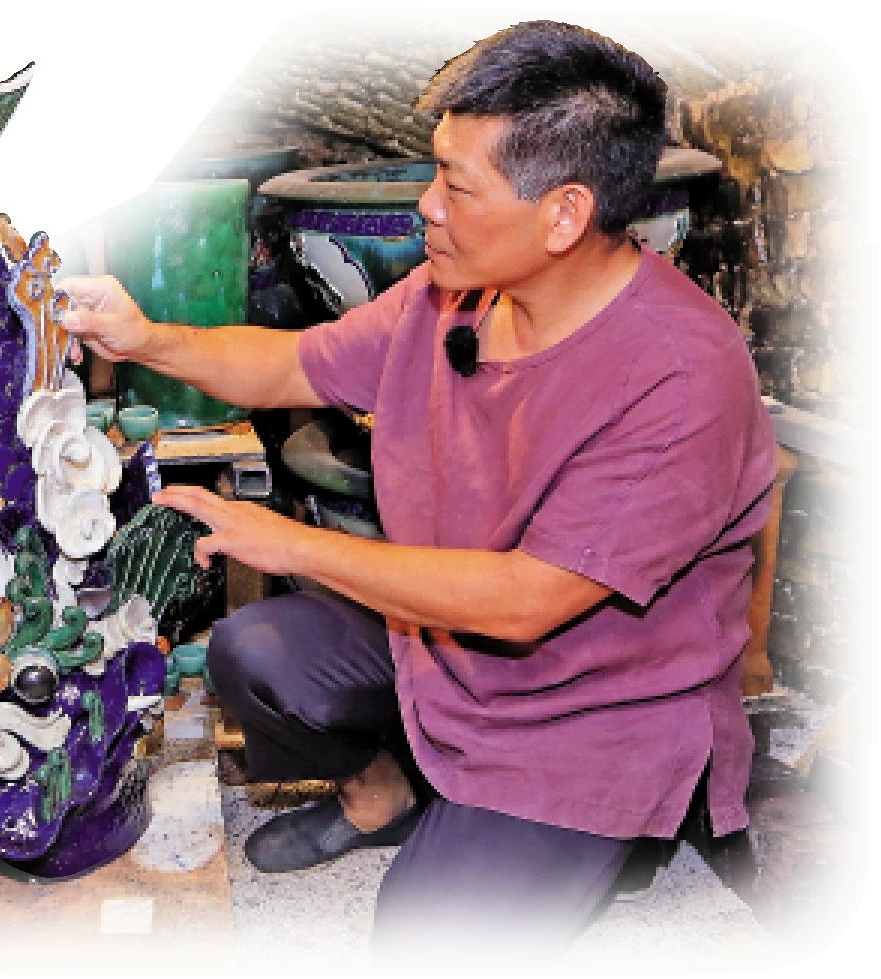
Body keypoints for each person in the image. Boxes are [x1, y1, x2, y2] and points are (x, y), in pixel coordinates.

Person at [61, 20, 777, 963]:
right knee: (255, 652)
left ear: (564, 214)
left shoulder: (678, 375)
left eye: (456, 185)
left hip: (593, 718)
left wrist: (291, 542)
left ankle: (618, 833)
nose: (426, 208)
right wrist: (145, 338)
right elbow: (292, 364)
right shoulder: (456, 294)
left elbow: (524, 601)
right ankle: (389, 787)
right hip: (451, 649)